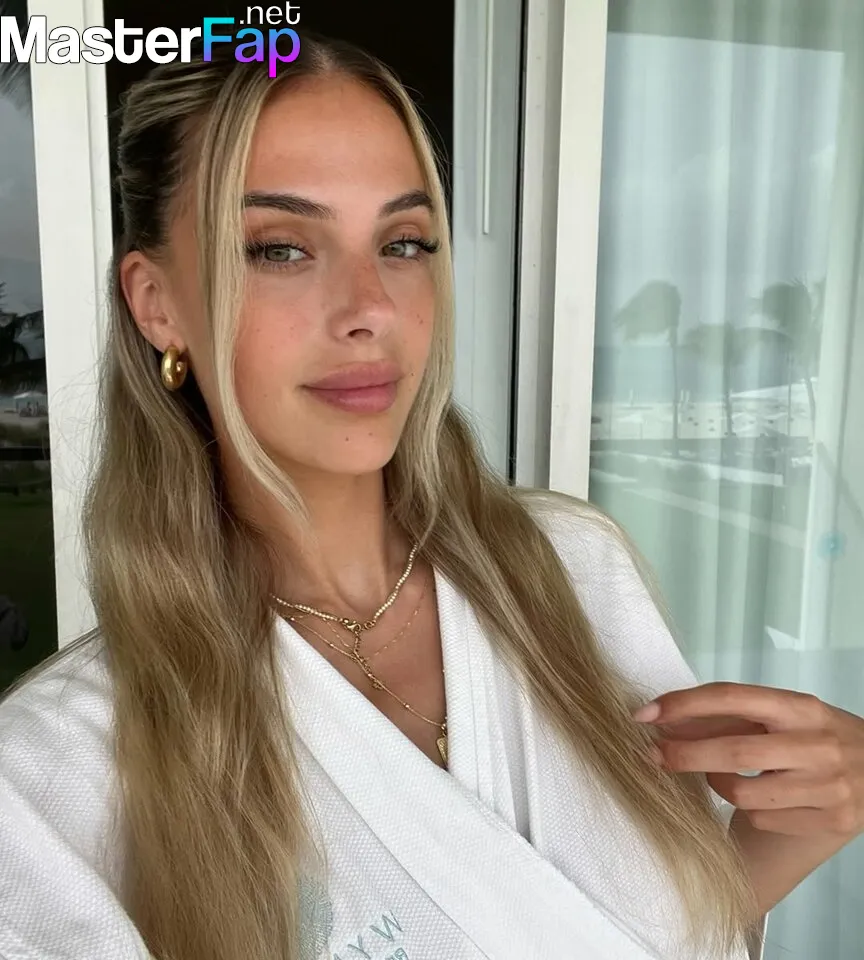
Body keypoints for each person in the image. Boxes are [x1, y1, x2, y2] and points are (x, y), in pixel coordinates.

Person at [1, 35, 862, 960]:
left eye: (403, 243)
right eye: (281, 249)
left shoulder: (573, 570)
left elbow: (661, 934)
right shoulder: (51, 785)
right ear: (157, 303)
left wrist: (789, 835)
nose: (371, 306)